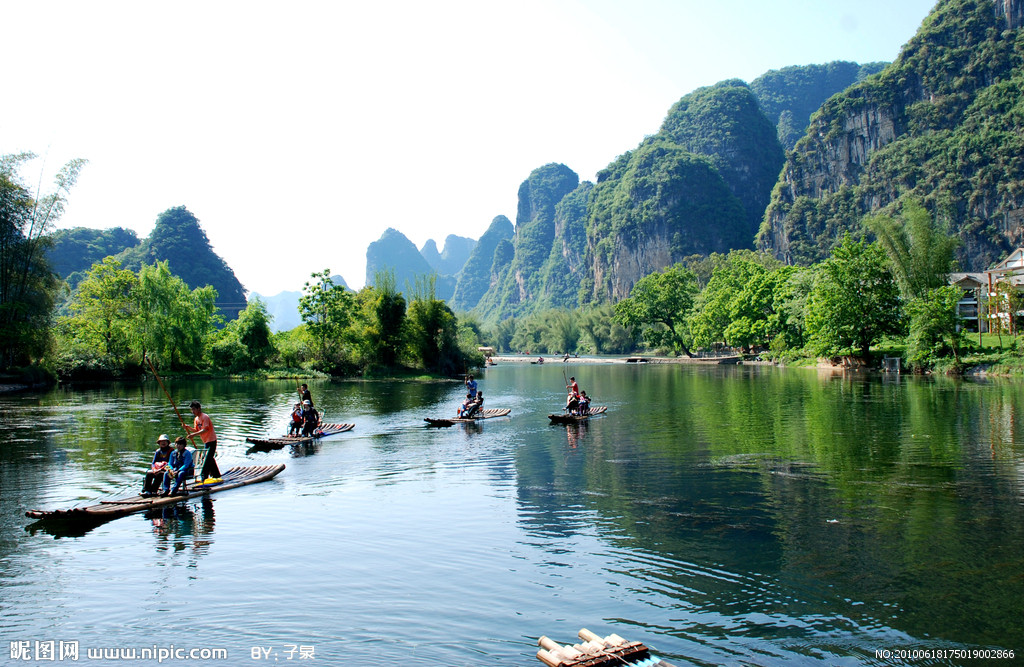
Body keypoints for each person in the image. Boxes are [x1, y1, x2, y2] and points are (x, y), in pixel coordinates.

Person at [186, 400, 221, 482]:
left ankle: (204, 477)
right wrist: (188, 428)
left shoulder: (205, 417)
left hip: (211, 440)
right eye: (192, 410)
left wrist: (193, 435)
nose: (192, 411)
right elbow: (196, 430)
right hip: (206, 441)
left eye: (194, 409)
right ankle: (216, 475)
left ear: (199, 408)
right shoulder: (196, 419)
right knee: (209, 458)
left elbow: (205, 429)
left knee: (206, 459)